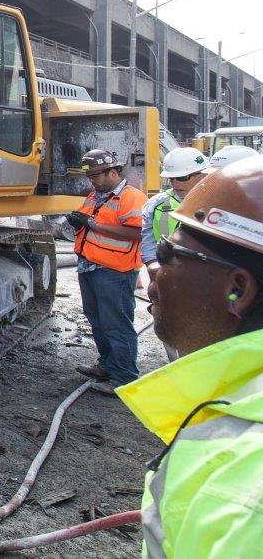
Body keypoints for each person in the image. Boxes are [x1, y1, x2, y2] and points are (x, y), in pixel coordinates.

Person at [117, 155, 263, 557]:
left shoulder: (241, 497)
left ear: (238, 290)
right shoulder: (230, 408)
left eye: (168, 258)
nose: (152, 279)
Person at [65, 148, 147, 393]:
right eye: (90, 176)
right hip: (90, 266)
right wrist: (78, 221)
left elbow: (137, 232)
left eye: (96, 175)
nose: (92, 180)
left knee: (117, 323)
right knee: (98, 320)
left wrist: (92, 224)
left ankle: (124, 377)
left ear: (113, 172)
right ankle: (108, 365)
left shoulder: (131, 197)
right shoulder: (95, 195)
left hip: (115, 270)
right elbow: (89, 221)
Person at [140, 147, 210, 279]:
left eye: (182, 177)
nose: (175, 184)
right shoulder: (156, 204)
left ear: (202, 174)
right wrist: (152, 265)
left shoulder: (216, 202)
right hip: (166, 273)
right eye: (171, 179)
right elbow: (148, 239)